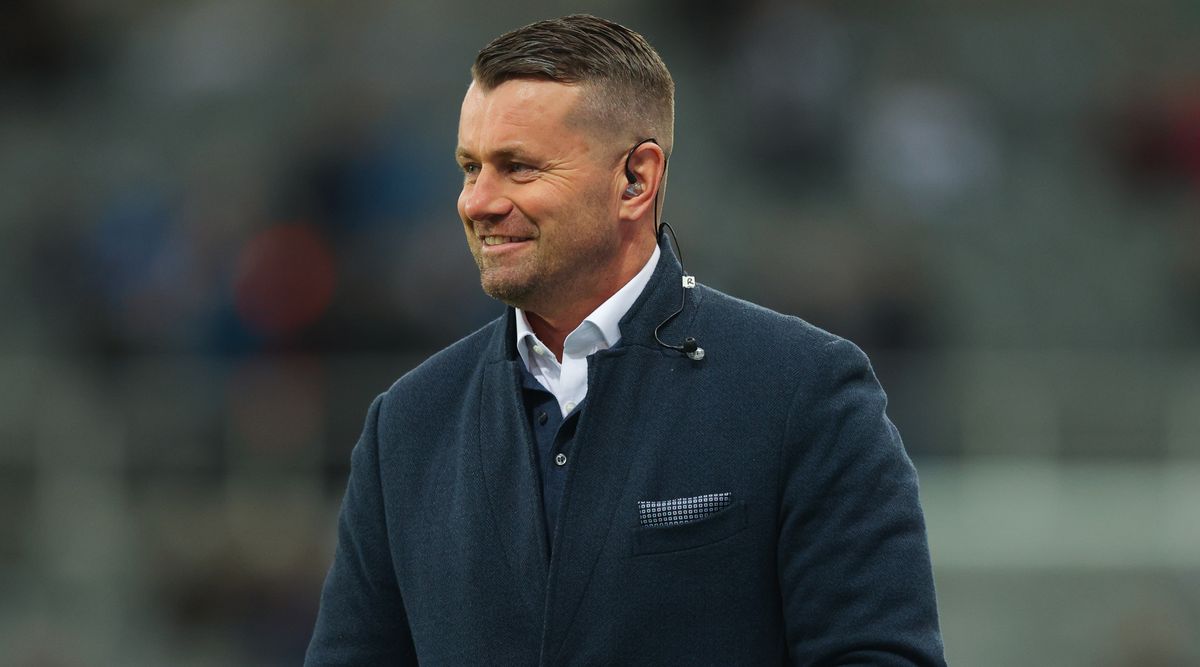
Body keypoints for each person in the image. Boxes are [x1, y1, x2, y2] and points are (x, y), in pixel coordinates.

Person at [305, 14, 945, 666]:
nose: (478, 202)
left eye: (518, 167)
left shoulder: (802, 391)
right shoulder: (407, 425)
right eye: (471, 168)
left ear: (636, 180)